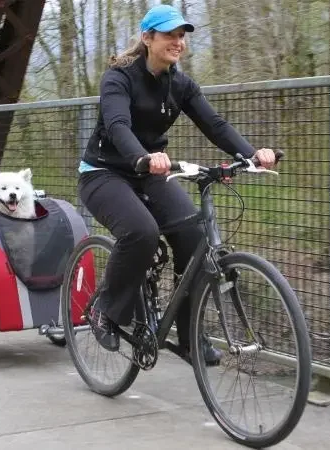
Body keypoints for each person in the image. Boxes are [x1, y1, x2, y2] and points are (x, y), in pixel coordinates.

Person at [77, 5, 276, 363]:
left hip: (151, 172)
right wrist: (143, 155)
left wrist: (251, 154)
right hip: (103, 173)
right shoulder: (118, 77)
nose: (178, 42)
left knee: (195, 237)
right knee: (141, 232)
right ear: (147, 38)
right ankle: (105, 311)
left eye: (182, 36)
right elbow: (118, 125)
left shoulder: (180, 84)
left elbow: (214, 125)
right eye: (170, 34)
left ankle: (189, 338)